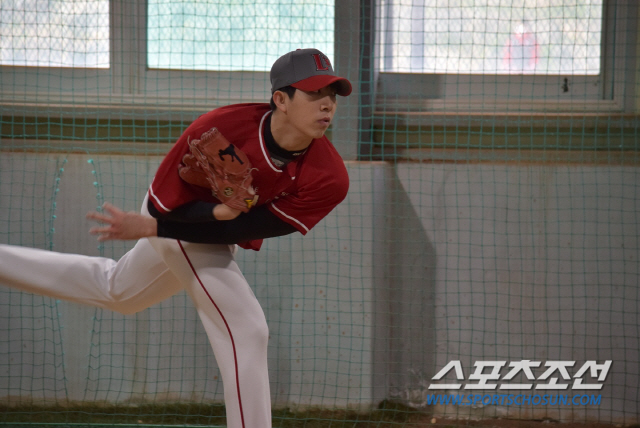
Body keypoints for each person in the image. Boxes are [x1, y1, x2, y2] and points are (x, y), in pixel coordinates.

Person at [0, 48, 352, 428]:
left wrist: (222, 215)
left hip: (213, 230)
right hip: (171, 217)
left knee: (118, 291)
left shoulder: (329, 177)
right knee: (247, 329)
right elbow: (159, 210)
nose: (327, 105)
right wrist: (160, 227)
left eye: (332, 95)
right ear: (281, 99)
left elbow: (245, 229)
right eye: (314, 93)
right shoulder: (220, 127)